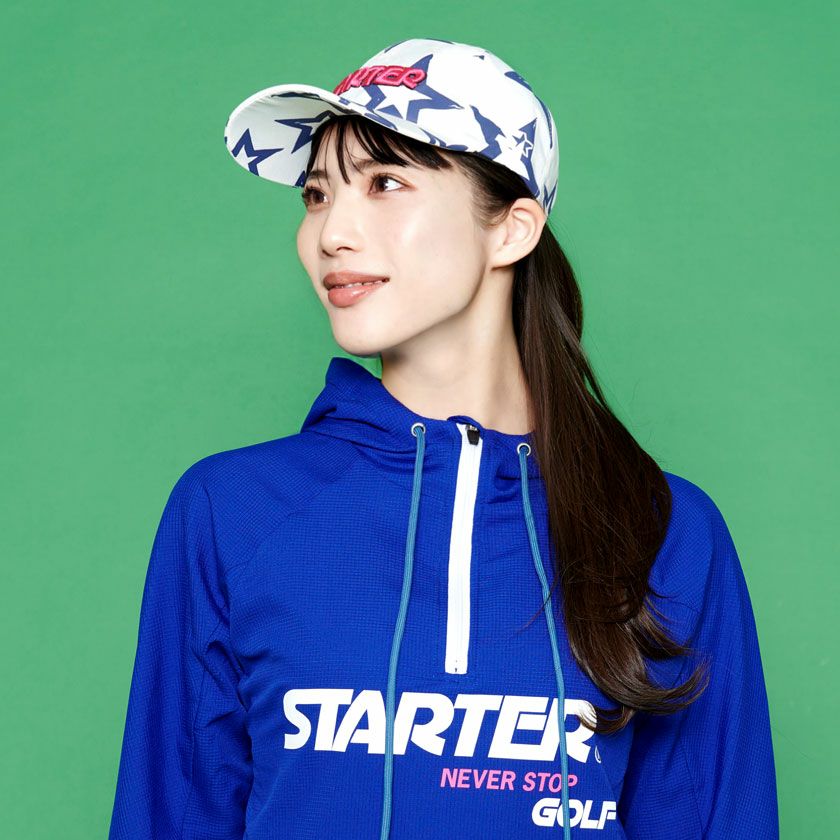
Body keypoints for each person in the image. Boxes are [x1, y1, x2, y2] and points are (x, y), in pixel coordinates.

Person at [107, 38, 779, 839]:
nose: (331, 233)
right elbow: (169, 816)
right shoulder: (231, 511)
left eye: (385, 184)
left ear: (512, 230)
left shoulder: (663, 526)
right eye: (317, 195)